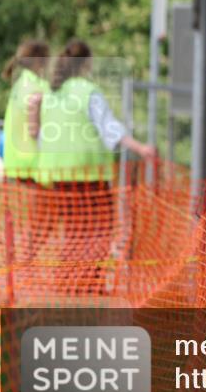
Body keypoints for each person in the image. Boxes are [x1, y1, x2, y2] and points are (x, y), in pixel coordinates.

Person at [34, 39, 157, 294]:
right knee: (99, 229)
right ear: (86, 63)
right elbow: (110, 128)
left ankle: (68, 282)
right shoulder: (88, 92)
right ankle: (90, 283)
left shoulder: (52, 93)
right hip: (87, 174)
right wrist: (141, 148)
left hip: (58, 173)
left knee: (73, 229)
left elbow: (42, 133)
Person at [1, 39, 50, 181]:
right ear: (39, 61)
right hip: (32, 164)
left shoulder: (19, 84)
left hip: (14, 162)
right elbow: (34, 129)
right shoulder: (37, 86)